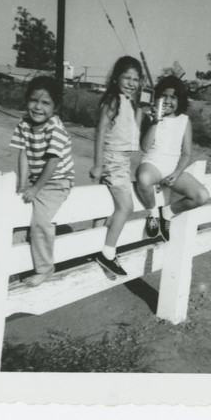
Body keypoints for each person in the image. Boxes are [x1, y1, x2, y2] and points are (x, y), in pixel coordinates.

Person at [10, 76, 74, 287]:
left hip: (57, 182)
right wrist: (22, 183)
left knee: (40, 222)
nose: (38, 107)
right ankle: (14, 268)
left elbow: (53, 160)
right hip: (37, 181)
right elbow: (24, 154)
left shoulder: (55, 128)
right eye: (34, 100)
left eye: (46, 103)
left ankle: (45, 269)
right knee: (16, 218)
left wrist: (36, 188)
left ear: (55, 107)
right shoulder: (24, 124)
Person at [89, 56, 145, 277]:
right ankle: (107, 253)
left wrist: (142, 111)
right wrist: (97, 163)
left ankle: (92, 249)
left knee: (104, 207)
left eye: (136, 79)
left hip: (123, 160)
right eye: (127, 77)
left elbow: (136, 136)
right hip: (113, 159)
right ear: (116, 79)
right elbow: (100, 131)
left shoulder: (131, 104)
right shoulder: (113, 100)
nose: (131, 82)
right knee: (126, 207)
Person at [136, 75, 209, 241]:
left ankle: (166, 213)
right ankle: (153, 212)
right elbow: (145, 147)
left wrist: (176, 173)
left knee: (202, 196)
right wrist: (155, 121)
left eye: (173, 97)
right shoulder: (149, 116)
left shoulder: (184, 121)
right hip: (152, 164)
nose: (168, 101)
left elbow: (186, 154)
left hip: (173, 169)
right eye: (164, 96)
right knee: (144, 178)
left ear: (180, 100)